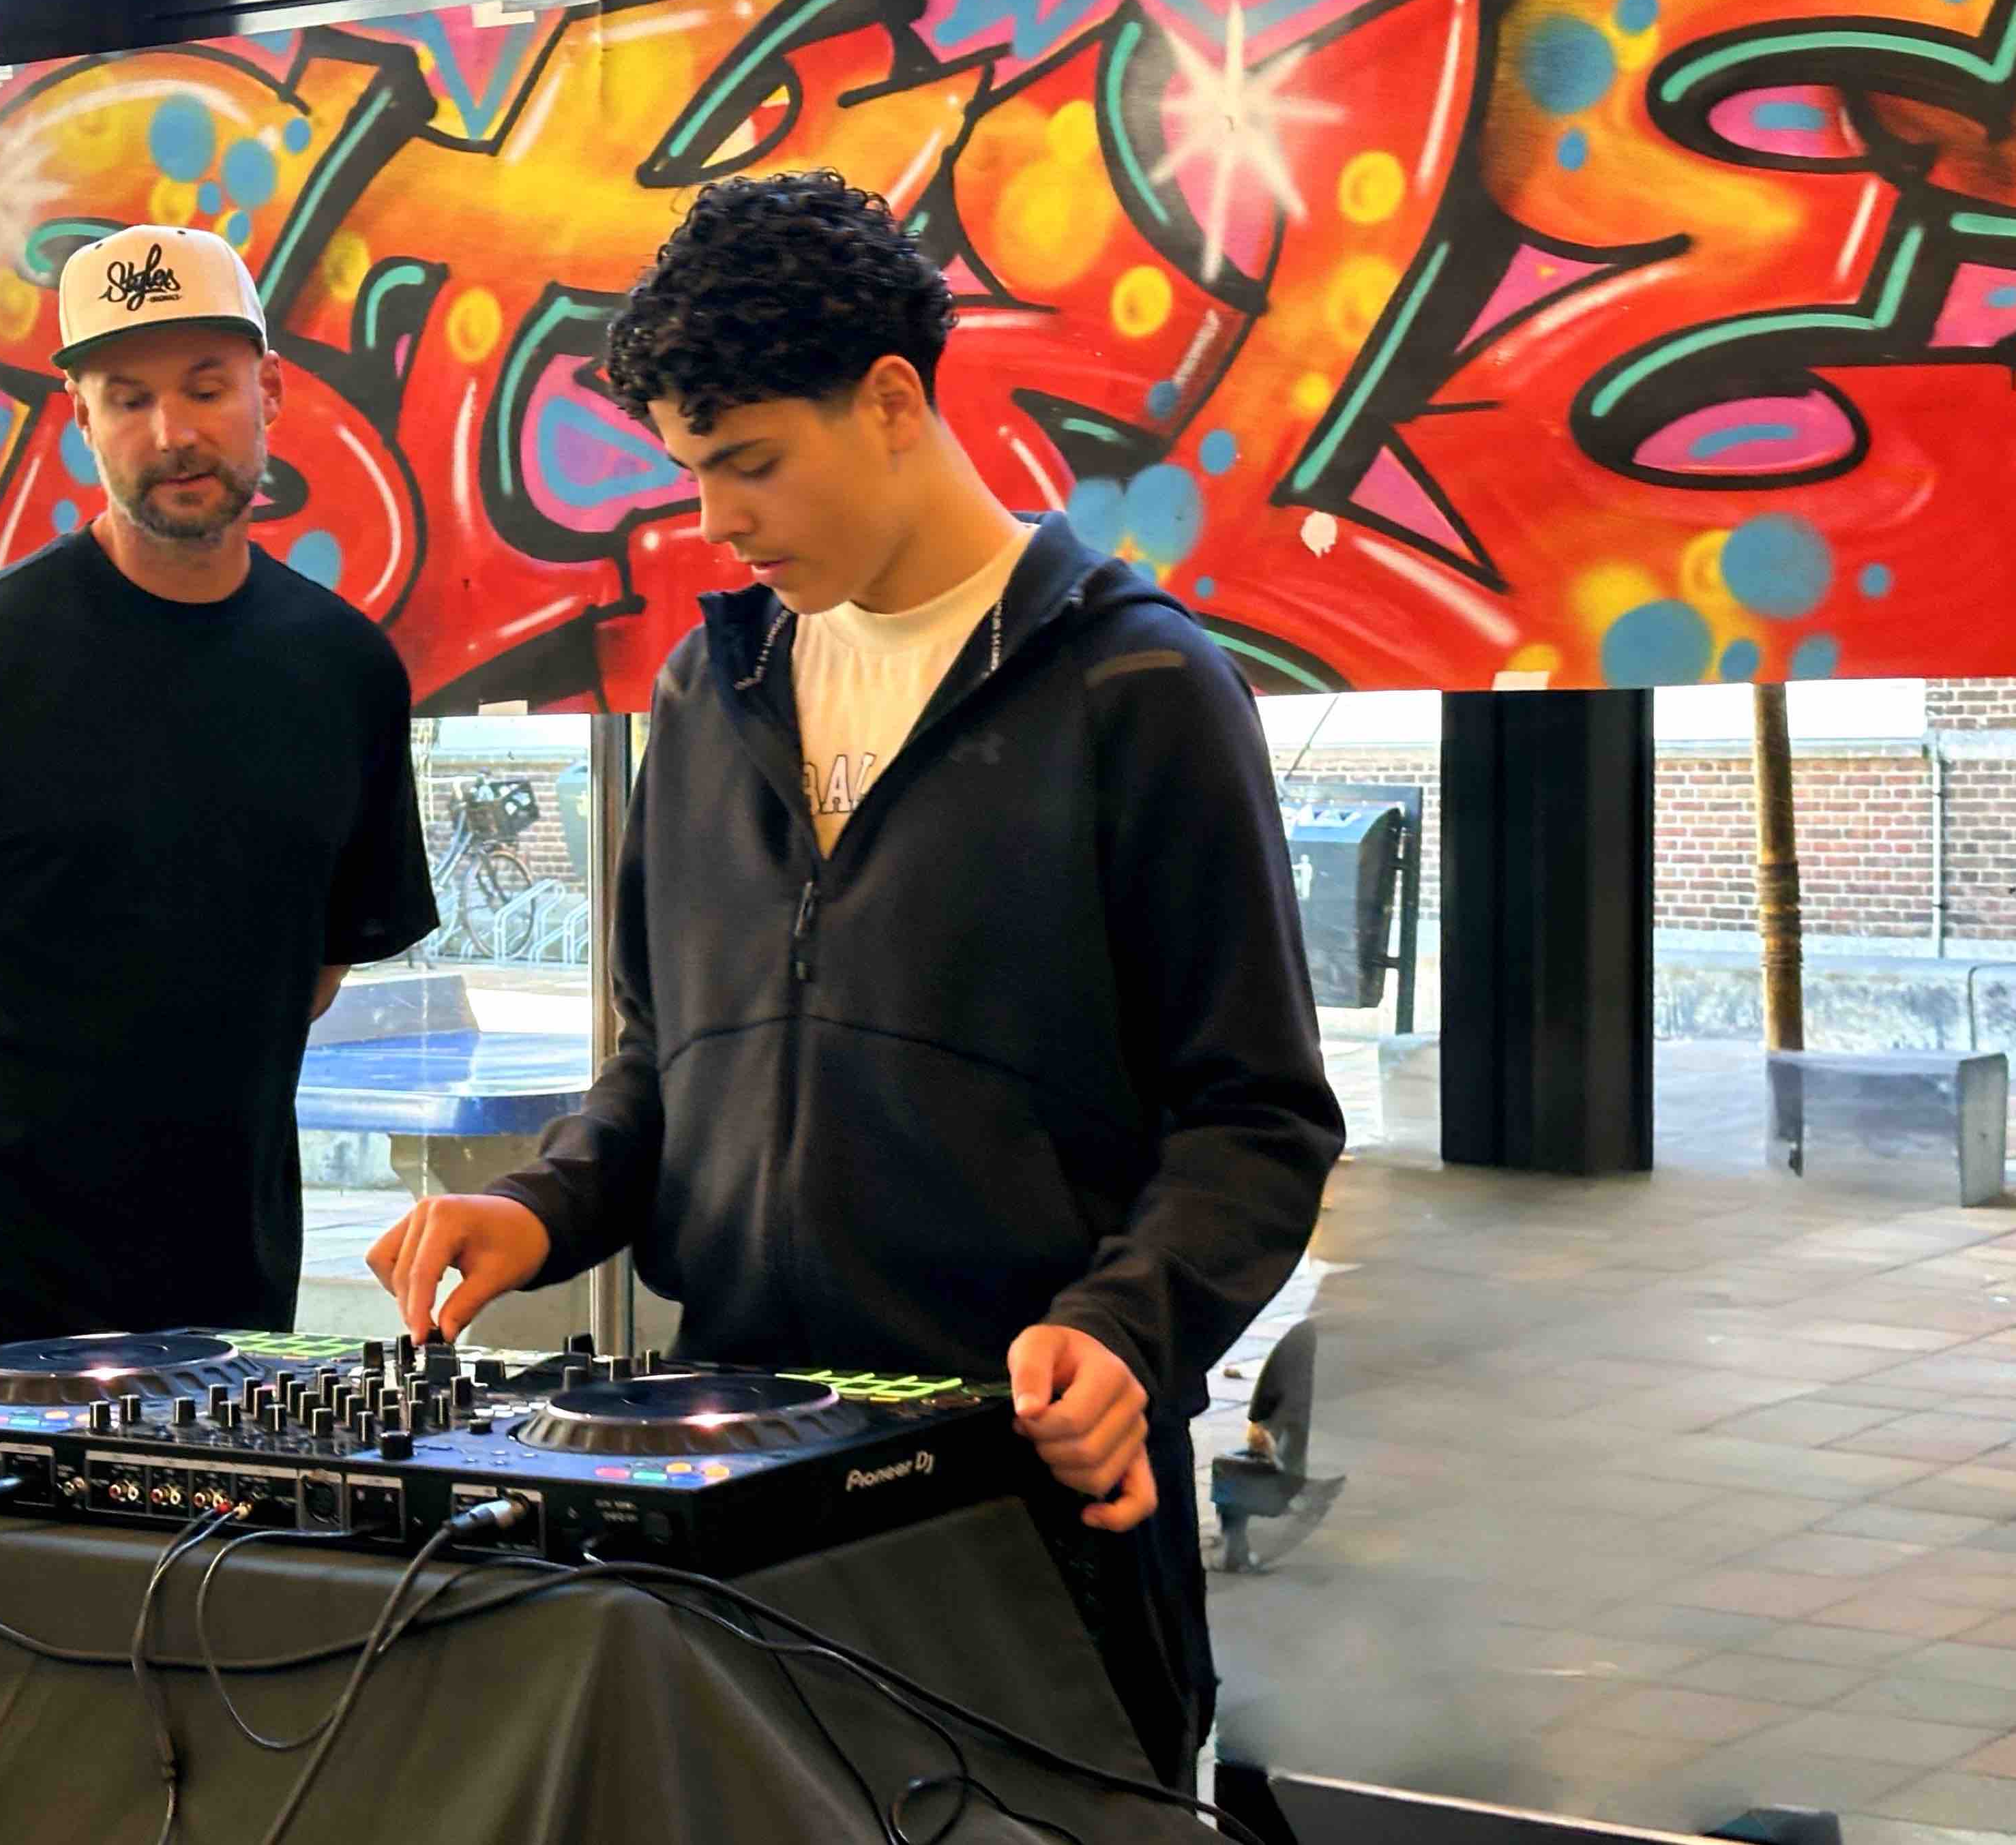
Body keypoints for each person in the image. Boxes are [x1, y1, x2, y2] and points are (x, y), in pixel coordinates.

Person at [364, 172, 1342, 1787]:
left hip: (1023, 1500)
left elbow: (1257, 1117)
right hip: (730, 1489)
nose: (716, 520)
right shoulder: (710, 688)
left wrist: (1130, 1329)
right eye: (692, 472)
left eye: (750, 463)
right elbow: (667, 1062)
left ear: (892, 401)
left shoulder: (1143, 685)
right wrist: (538, 1206)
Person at [0, 223, 436, 1377]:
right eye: (128, 398)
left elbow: (311, 968)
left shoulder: (345, 669)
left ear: (268, 392)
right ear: (81, 419)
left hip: (228, 1288)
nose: (173, 433)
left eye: (206, 388)